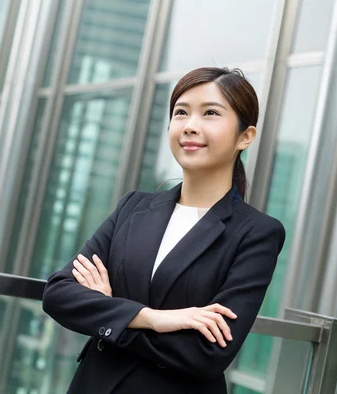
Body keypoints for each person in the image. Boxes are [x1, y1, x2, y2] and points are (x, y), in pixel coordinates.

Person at [42, 67, 286, 394]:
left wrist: (113, 312)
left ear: (245, 136)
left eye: (210, 113)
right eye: (181, 113)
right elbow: (59, 293)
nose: (190, 126)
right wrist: (154, 318)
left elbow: (209, 353)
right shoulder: (134, 207)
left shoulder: (256, 233)